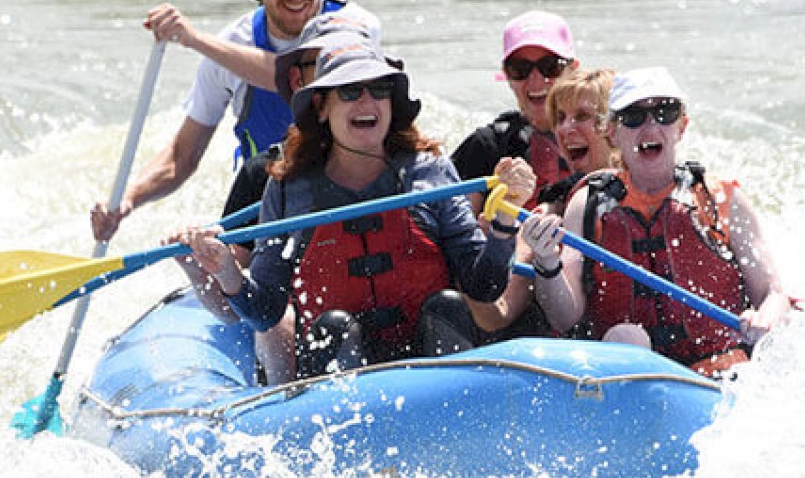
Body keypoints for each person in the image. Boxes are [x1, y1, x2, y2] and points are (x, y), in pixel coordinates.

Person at [171, 35, 536, 379]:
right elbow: (266, 310)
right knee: (334, 326)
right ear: (322, 107)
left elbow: (484, 286)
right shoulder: (288, 189)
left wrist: (504, 219)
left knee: (447, 305)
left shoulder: (431, 172)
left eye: (380, 90)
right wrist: (226, 272)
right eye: (349, 91)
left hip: (428, 366)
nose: (368, 101)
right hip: (341, 378)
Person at [526, 67, 791, 378]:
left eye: (665, 112)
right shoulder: (588, 205)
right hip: (634, 375)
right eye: (634, 116)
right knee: (626, 337)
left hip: (720, 373)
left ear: (681, 126)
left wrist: (765, 318)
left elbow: (773, 294)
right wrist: (545, 260)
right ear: (611, 132)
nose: (650, 126)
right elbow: (564, 318)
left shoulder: (722, 201)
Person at [90, 0, 374, 243]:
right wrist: (127, 199)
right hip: (265, 204)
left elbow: (294, 76)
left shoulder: (353, 26)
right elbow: (183, 156)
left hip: (350, 199)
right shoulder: (232, 45)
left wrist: (197, 40)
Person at [449, 11, 583, 341]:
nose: (536, 82)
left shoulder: (608, 139)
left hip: (578, 277)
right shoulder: (486, 147)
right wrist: (495, 214)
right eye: (521, 70)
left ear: (572, 68)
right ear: (507, 77)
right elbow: (455, 234)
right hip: (509, 290)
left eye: (549, 67)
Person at [472, 68, 617, 339]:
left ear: (615, 127)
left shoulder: (674, 195)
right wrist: (478, 255)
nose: (563, 129)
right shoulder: (546, 215)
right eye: (560, 118)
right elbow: (496, 315)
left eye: (582, 117)